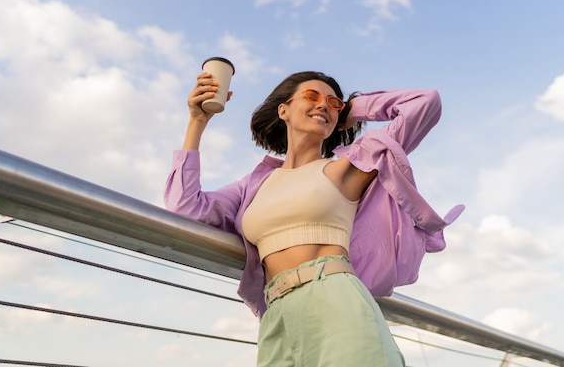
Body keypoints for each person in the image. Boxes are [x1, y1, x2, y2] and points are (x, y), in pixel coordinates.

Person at [164, 70, 464, 366]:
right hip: (277, 315)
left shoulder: (347, 168)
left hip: (337, 301)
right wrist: (197, 122)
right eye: (312, 96)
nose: (323, 104)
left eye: (333, 102)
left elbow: (425, 102)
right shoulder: (251, 187)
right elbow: (185, 207)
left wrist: (351, 110)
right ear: (284, 110)